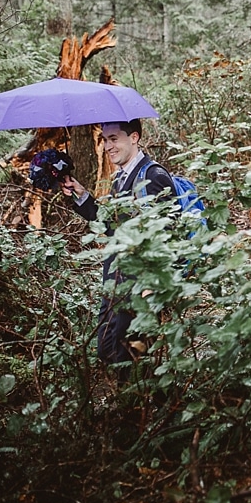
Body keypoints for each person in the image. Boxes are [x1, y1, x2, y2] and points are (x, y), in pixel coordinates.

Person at [61, 118, 177, 365]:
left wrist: (150, 287)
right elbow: (110, 227)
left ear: (134, 137)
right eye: (104, 140)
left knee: (129, 356)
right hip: (115, 281)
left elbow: (167, 233)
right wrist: (82, 195)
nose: (107, 146)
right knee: (106, 349)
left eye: (114, 139)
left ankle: (140, 400)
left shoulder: (153, 176)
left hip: (138, 283)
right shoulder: (119, 179)